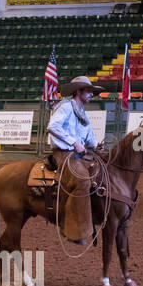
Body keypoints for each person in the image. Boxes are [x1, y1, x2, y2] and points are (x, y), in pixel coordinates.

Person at [46, 75, 106, 244]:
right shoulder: (65, 107)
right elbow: (53, 127)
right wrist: (74, 142)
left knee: (102, 172)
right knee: (82, 180)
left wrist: (95, 146)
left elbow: (89, 137)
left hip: (77, 154)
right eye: (88, 91)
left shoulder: (81, 112)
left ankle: (94, 217)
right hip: (63, 152)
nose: (91, 95)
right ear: (78, 91)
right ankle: (73, 229)